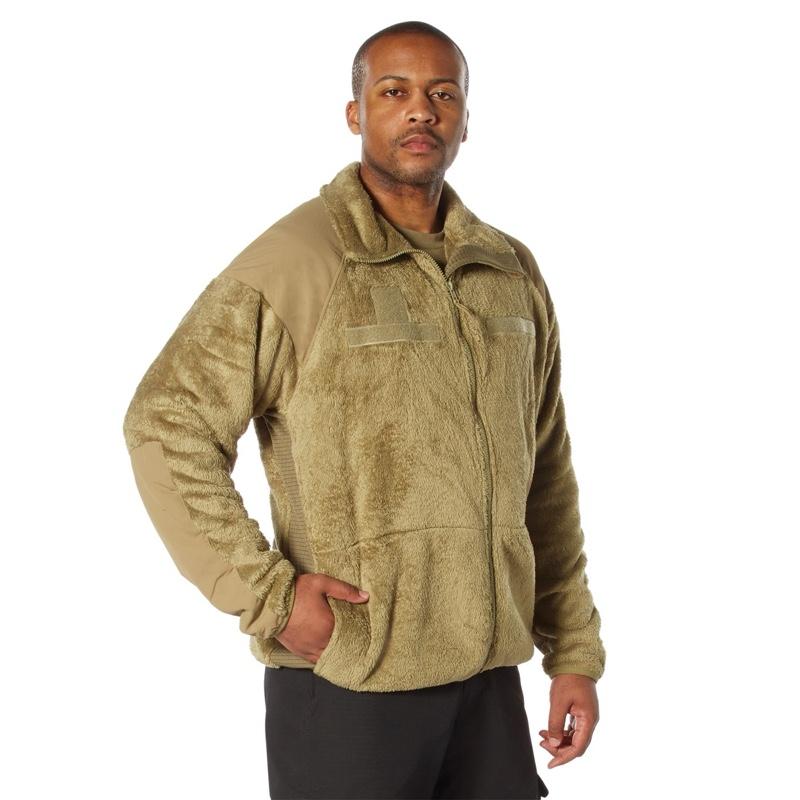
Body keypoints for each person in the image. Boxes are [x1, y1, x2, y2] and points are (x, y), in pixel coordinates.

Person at [122, 19, 606, 800]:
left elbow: (544, 471)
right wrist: (272, 598)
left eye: (443, 94)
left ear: (466, 120)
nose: (421, 110)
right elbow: (165, 422)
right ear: (355, 113)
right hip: (350, 680)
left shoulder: (509, 269)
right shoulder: (297, 261)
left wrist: (573, 651)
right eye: (394, 91)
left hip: (488, 681)